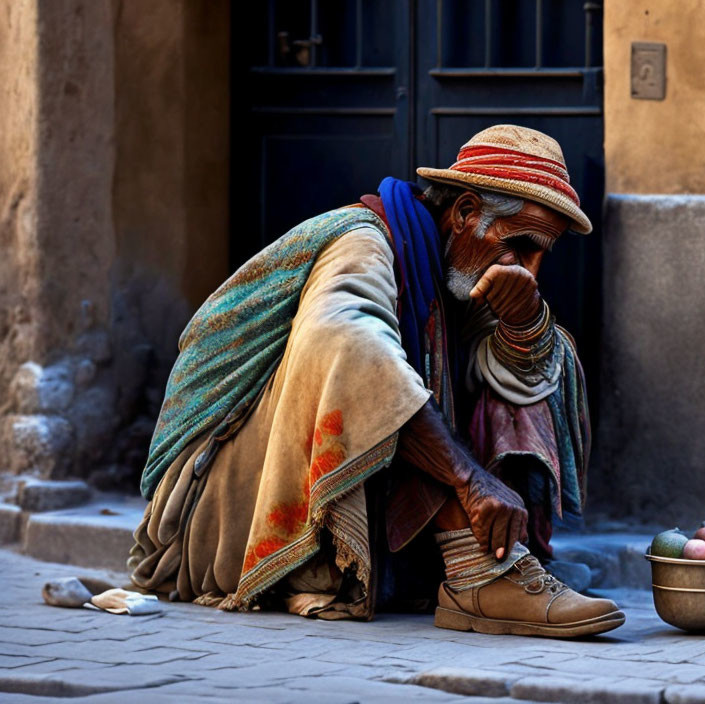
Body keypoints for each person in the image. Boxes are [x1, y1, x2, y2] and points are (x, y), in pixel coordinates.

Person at [129, 125, 625, 638]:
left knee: (539, 345)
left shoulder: (461, 272)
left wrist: (524, 325)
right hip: (227, 503)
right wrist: (469, 480)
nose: (530, 270)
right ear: (465, 213)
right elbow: (344, 339)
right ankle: (480, 570)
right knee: (353, 347)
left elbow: (519, 374)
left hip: (342, 484)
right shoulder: (363, 240)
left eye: (544, 255)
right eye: (520, 245)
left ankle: (495, 560)